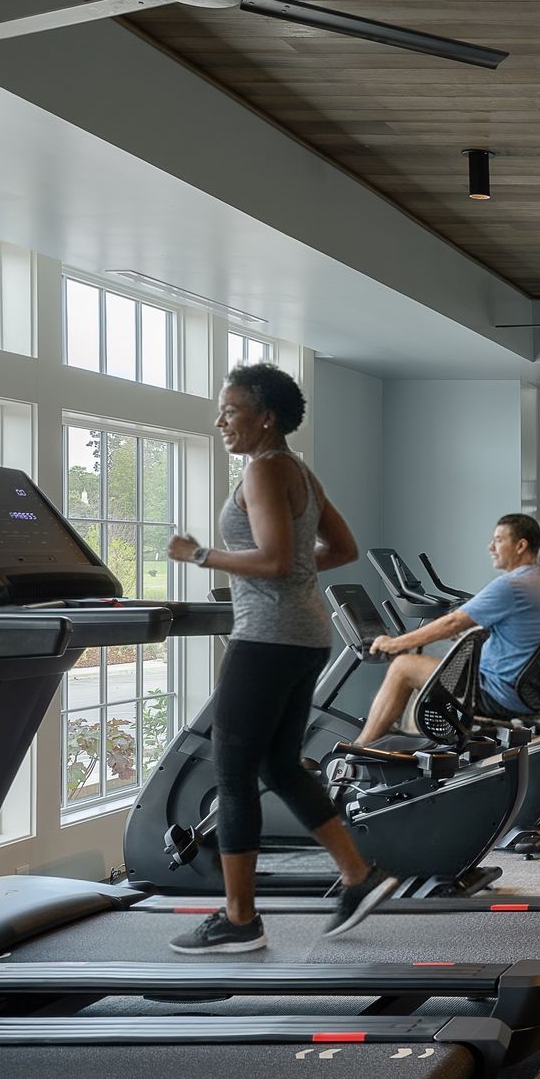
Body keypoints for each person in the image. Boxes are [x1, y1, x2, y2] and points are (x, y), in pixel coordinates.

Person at [166, 363, 397, 953]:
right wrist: (291, 571)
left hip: (266, 637)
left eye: (232, 410)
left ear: (265, 417)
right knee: (281, 766)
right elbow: (339, 549)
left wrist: (201, 557)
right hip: (305, 634)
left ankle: (239, 919)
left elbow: (272, 560)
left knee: (232, 773)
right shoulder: (298, 470)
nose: (221, 421)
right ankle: (358, 876)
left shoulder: (265, 470)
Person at [355, 513, 540, 747]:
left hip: (496, 693)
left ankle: (360, 751)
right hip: (526, 692)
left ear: (521, 545)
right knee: (423, 667)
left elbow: (452, 623)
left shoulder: (512, 585)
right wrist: (470, 626)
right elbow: (516, 630)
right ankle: (408, 743)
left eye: (499, 540)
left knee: (403, 666)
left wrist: (394, 643)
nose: (491, 547)